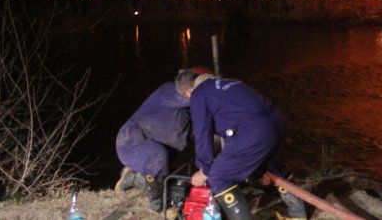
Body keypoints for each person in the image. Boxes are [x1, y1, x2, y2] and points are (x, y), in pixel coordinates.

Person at [174, 69, 306, 220]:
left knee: (218, 177)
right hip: (277, 123)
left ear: (188, 91)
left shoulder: (198, 94)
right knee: (274, 166)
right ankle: (298, 215)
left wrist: (204, 170)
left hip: (253, 132)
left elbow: (202, 134)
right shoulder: (228, 81)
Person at [114, 66, 212, 212]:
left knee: (197, 139)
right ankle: (158, 205)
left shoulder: (190, 109)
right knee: (158, 157)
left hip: (156, 145)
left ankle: (135, 175)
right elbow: (190, 99)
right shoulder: (168, 92)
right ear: (190, 87)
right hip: (131, 142)